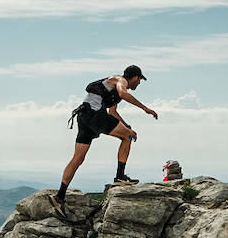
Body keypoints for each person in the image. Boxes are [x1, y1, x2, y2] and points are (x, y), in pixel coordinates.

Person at [53, 65, 158, 210]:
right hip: (94, 115)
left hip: (84, 116)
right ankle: (120, 176)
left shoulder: (111, 89)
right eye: (139, 80)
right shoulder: (120, 80)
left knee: (78, 158)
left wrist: (126, 125)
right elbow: (123, 93)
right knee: (128, 137)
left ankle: (60, 196)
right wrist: (145, 108)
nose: (139, 83)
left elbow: (113, 112)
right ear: (135, 77)